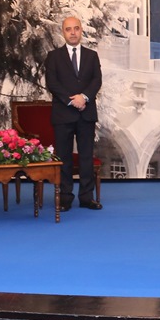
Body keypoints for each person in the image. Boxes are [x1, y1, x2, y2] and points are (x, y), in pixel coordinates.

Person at [44, 16, 103, 211]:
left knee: (86, 157)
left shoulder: (92, 56)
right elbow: (52, 83)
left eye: (76, 28)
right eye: (68, 29)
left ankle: (86, 198)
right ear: (63, 32)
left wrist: (84, 97)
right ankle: (65, 198)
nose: (72, 32)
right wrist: (71, 101)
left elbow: (96, 80)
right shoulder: (53, 57)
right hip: (63, 114)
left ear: (81, 30)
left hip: (86, 114)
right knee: (64, 158)